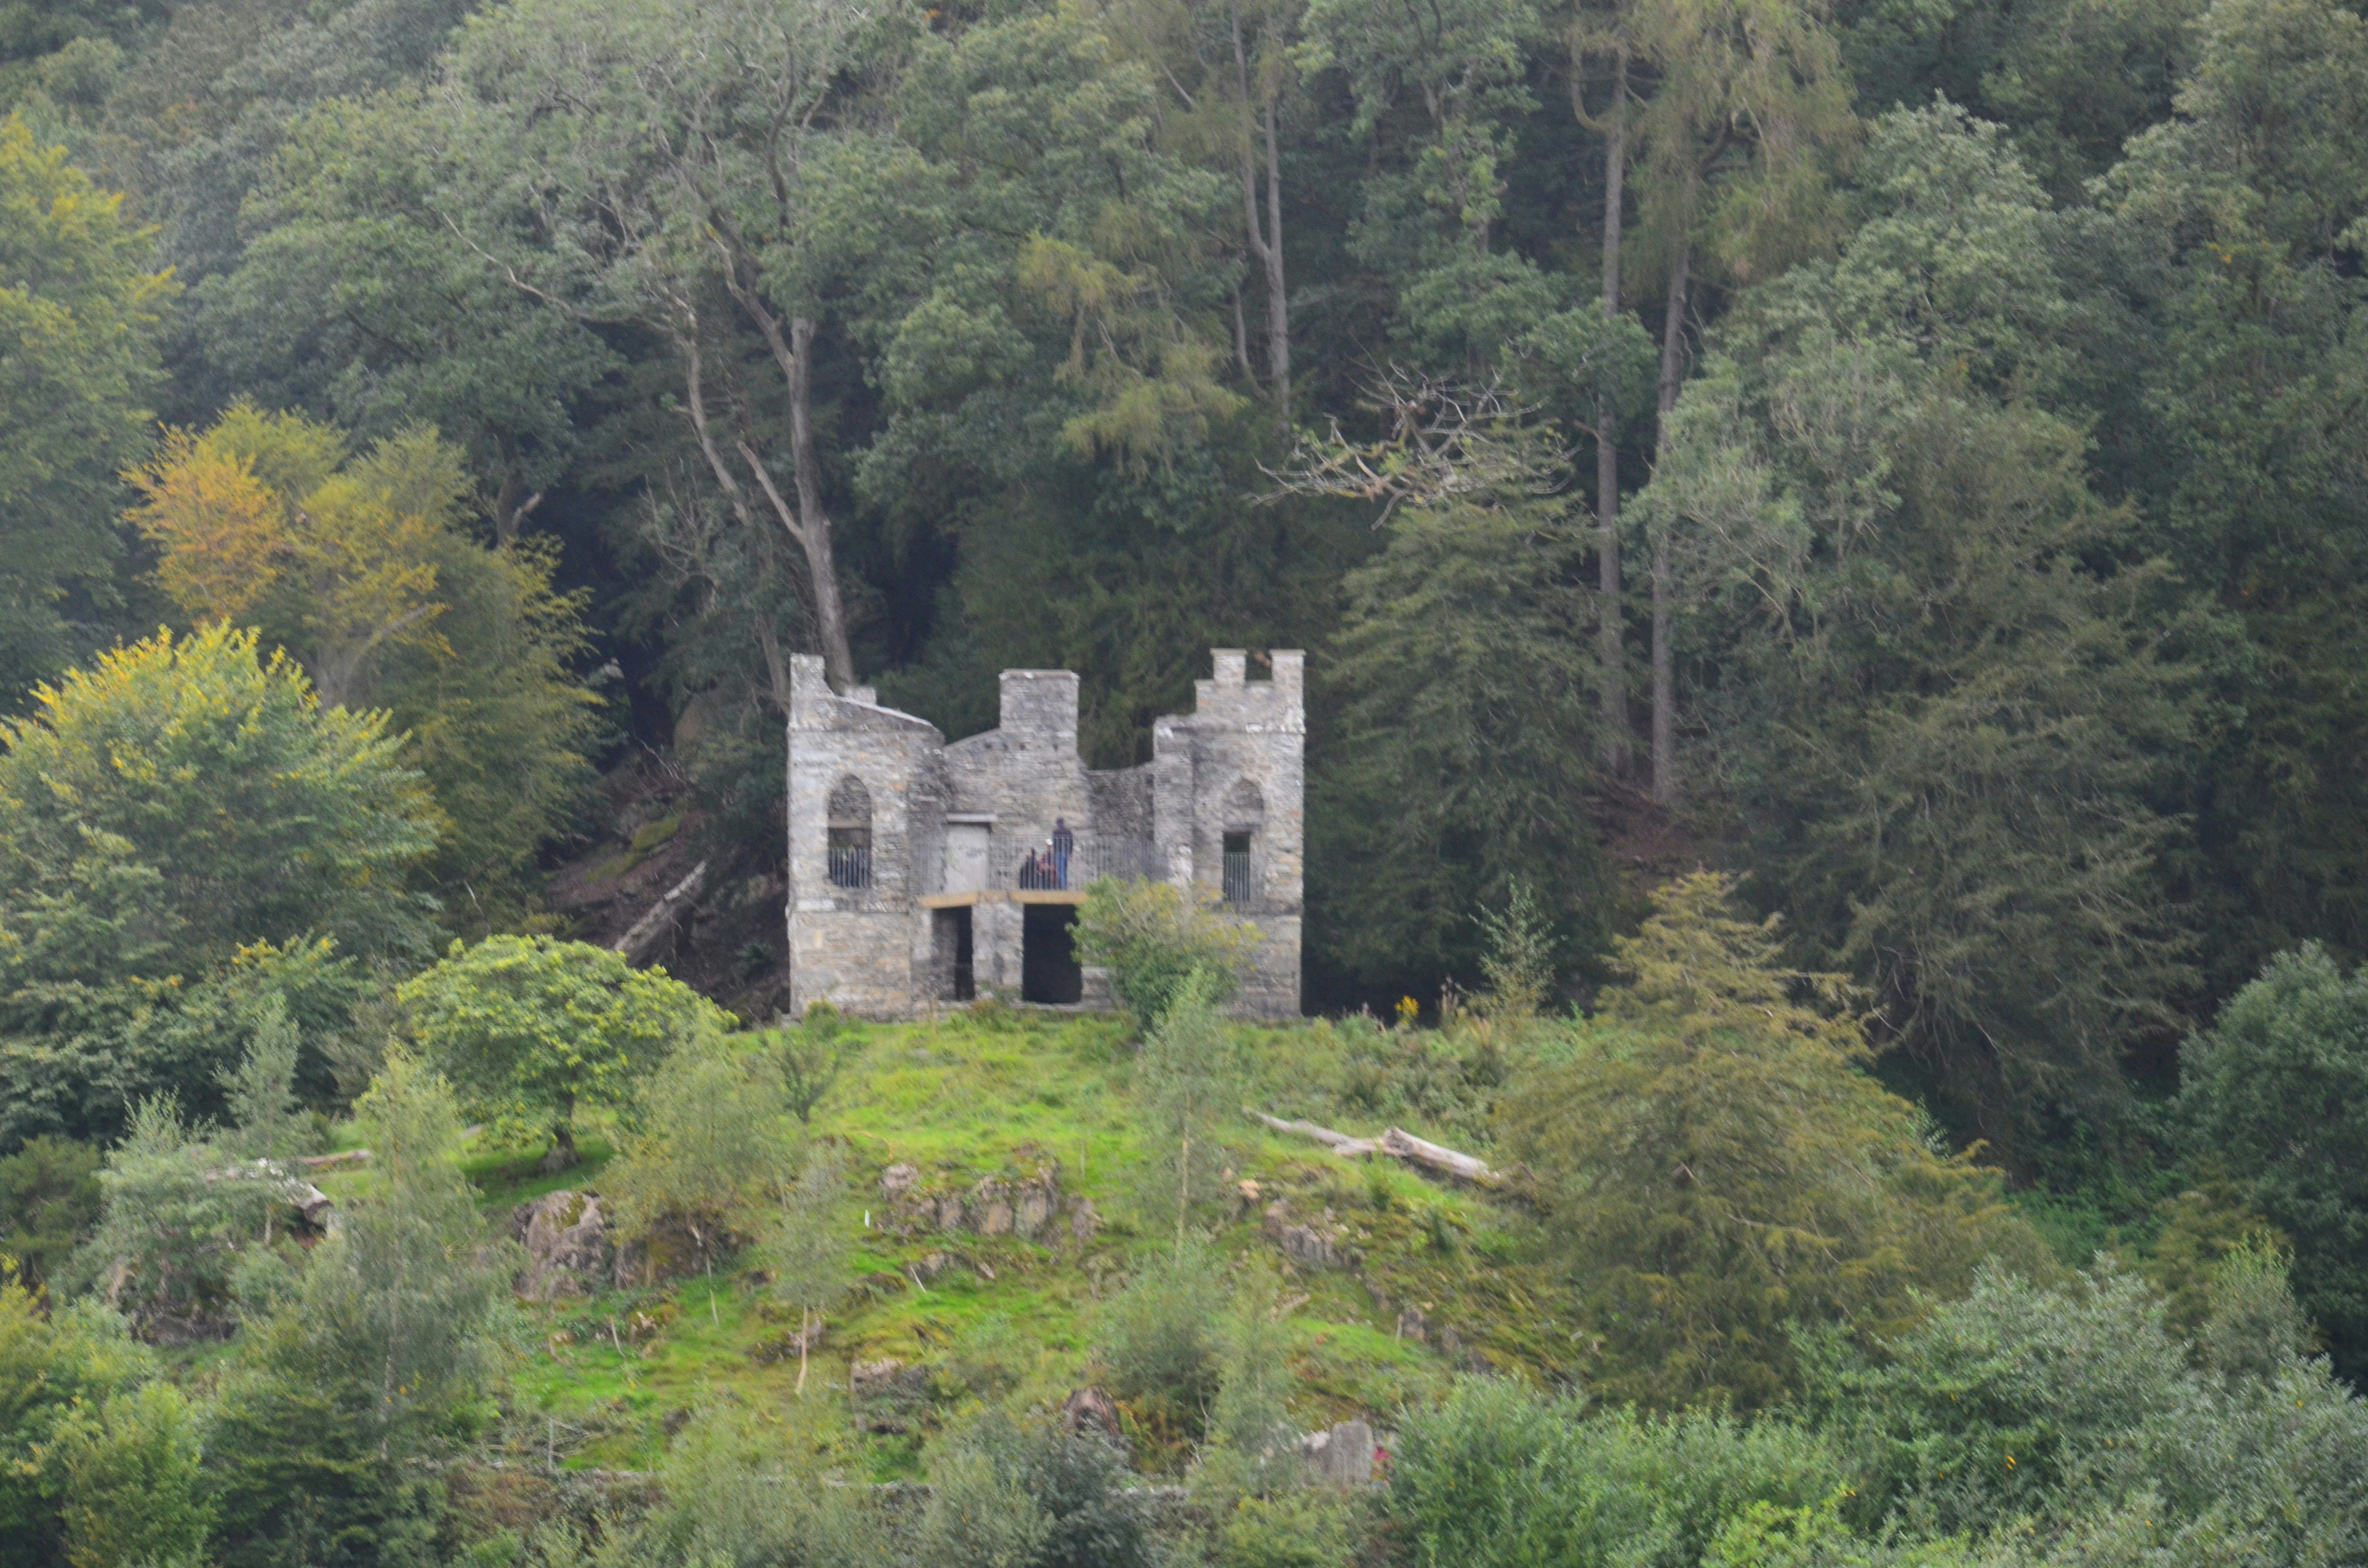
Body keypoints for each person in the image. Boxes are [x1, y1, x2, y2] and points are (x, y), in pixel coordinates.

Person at [1051, 818, 1074, 888]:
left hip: (1059, 852)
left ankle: (1063, 886)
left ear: (1057, 823)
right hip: (1066, 853)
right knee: (1065, 870)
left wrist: (1054, 853)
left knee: (1060, 870)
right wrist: (1070, 854)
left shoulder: (1056, 831)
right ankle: (1065, 885)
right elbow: (1071, 843)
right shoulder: (1068, 831)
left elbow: (1054, 843)